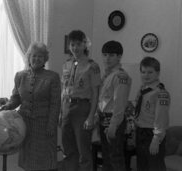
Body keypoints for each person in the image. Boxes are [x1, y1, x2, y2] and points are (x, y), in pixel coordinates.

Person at [0, 42, 61, 171]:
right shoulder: (20, 76)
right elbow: (16, 98)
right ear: (29, 57)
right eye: (34, 56)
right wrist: (7, 107)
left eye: (40, 56)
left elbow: (55, 104)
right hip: (25, 123)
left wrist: (51, 125)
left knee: (43, 159)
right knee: (27, 159)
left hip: (44, 125)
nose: (36, 59)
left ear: (45, 59)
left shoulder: (52, 77)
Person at [60, 30, 101, 171]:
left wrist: (91, 116)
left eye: (78, 44)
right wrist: (61, 112)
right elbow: (63, 89)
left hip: (82, 108)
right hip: (67, 107)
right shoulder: (66, 64)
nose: (75, 48)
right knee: (68, 149)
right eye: (72, 44)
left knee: (83, 151)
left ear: (85, 44)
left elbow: (96, 93)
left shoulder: (92, 66)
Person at [97, 40, 131, 171]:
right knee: (107, 157)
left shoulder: (120, 76)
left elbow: (119, 103)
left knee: (115, 157)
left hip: (113, 120)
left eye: (111, 55)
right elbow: (103, 99)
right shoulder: (108, 75)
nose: (107, 58)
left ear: (119, 56)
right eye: (104, 55)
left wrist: (113, 125)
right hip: (103, 118)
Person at [135, 57, 170, 171]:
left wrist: (156, 139)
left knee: (155, 166)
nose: (146, 75)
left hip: (152, 133)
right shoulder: (142, 90)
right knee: (142, 166)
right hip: (141, 132)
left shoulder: (161, 93)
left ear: (158, 73)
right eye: (143, 72)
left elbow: (161, 117)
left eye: (150, 72)